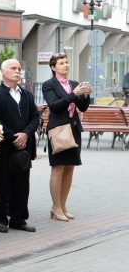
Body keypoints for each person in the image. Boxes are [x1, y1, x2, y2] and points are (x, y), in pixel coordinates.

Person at [0, 59, 40, 233]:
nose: (17, 71)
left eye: (19, 68)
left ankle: (19, 219)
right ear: (3, 72)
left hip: (23, 147)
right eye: (13, 68)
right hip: (4, 147)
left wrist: (25, 134)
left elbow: (35, 117)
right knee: (1, 183)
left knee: (22, 185)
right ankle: (0, 219)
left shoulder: (26, 95)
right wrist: (13, 137)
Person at [42, 54, 91, 222]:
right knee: (58, 169)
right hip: (58, 130)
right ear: (53, 67)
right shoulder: (49, 85)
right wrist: (73, 94)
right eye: (61, 63)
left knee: (70, 169)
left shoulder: (74, 84)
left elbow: (82, 108)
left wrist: (85, 95)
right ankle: (55, 207)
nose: (65, 65)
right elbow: (54, 106)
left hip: (74, 129)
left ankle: (62, 205)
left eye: (67, 62)